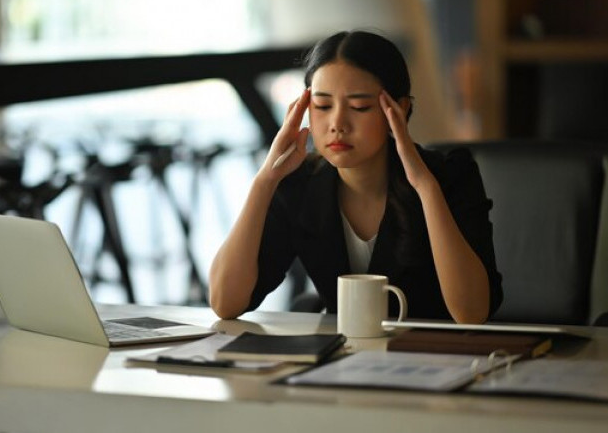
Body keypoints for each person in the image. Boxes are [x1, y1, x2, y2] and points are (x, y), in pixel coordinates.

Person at [209, 30, 502, 323]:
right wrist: (264, 182)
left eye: (359, 107)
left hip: (436, 358)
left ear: (399, 110)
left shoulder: (450, 175)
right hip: (341, 362)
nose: (337, 123)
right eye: (322, 106)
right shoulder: (300, 185)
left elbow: (471, 313)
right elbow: (225, 302)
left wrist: (425, 187)